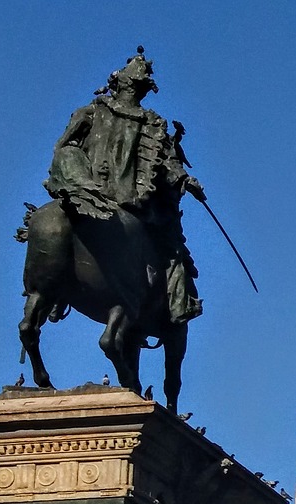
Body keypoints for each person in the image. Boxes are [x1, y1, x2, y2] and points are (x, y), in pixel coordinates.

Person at [45, 47, 204, 324]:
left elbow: (64, 147)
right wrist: (186, 181)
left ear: (116, 83)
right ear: (143, 90)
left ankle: (54, 292)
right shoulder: (153, 124)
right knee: (173, 251)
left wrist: (78, 180)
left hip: (87, 191)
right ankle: (180, 306)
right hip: (130, 203)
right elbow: (168, 167)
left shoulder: (90, 112)